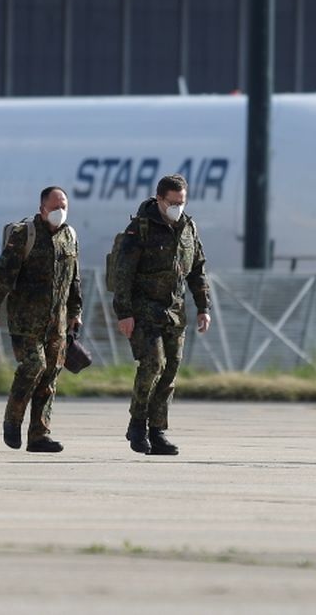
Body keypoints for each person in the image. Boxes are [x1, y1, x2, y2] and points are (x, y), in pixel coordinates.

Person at [111, 174, 210, 456]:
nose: (178, 207)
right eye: (173, 202)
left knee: (170, 370)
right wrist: (124, 313)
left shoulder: (188, 228)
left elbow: (198, 270)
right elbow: (122, 275)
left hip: (175, 313)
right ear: (159, 199)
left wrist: (204, 307)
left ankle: (157, 431)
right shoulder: (139, 229)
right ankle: (137, 424)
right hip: (144, 310)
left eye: (182, 202)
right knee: (152, 364)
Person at [0, 186, 83, 453]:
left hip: (57, 323)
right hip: (25, 320)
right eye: (54, 207)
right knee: (33, 367)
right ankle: (12, 419)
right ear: (42, 209)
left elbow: (74, 280)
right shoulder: (23, 235)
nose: (59, 212)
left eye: (64, 206)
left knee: (50, 377)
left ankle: (39, 435)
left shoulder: (69, 236)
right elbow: (3, 274)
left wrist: (76, 313)